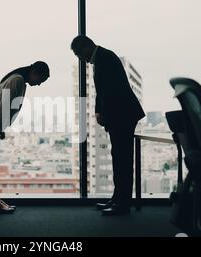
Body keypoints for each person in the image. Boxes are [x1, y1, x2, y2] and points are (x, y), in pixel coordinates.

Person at [71, 35, 145, 216]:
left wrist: (104, 114)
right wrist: (100, 112)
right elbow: (103, 91)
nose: (82, 59)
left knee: (123, 160)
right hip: (121, 115)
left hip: (122, 116)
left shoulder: (105, 58)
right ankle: (118, 199)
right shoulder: (104, 58)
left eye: (80, 54)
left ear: (86, 47)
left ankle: (122, 204)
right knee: (119, 158)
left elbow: (111, 92)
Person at [0, 61, 50, 214]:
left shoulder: (18, 79)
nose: (39, 84)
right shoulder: (18, 80)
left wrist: (1, 128)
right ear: (35, 72)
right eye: (41, 80)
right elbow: (4, 107)